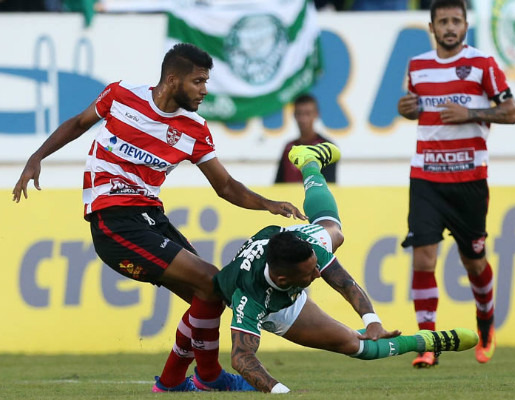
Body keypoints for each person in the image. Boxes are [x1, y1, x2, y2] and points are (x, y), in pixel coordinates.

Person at [12, 43, 306, 392]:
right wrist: (36, 157)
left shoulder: (194, 129)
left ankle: (171, 382)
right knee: (211, 282)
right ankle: (209, 377)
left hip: (150, 217)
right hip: (113, 221)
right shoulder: (120, 96)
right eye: (198, 81)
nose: (204, 90)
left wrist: (268, 203)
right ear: (172, 79)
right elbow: (78, 123)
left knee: (212, 294)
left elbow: (225, 185)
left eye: (206, 82)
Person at [213, 143, 479, 393]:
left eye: (315, 266)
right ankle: (426, 341)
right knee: (354, 345)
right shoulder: (249, 299)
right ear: (284, 278)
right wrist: (279, 391)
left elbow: (344, 282)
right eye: (310, 273)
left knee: (334, 233)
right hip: (276, 307)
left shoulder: (305, 249)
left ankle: (309, 161)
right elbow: (241, 357)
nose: (318, 274)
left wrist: (372, 321)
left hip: (281, 244)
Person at [396, 0, 515, 368]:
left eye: (456, 20)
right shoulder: (417, 66)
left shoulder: (483, 64)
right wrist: (408, 110)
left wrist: (472, 113)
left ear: (466, 24)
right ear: (431, 27)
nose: (450, 27)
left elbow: (511, 112)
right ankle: (427, 343)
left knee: (474, 262)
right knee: (423, 258)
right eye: (443, 21)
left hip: (469, 180)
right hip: (426, 177)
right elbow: (416, 107)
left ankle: (485, 326)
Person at [274, 94, 337, 183]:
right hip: (289, 197)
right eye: (299, 114)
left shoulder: (326, 148)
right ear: (294, 115)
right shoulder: (288, 148)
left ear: (316, 114)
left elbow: (330, 185)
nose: (303, 119)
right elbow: (278, 184)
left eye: (308, 114)